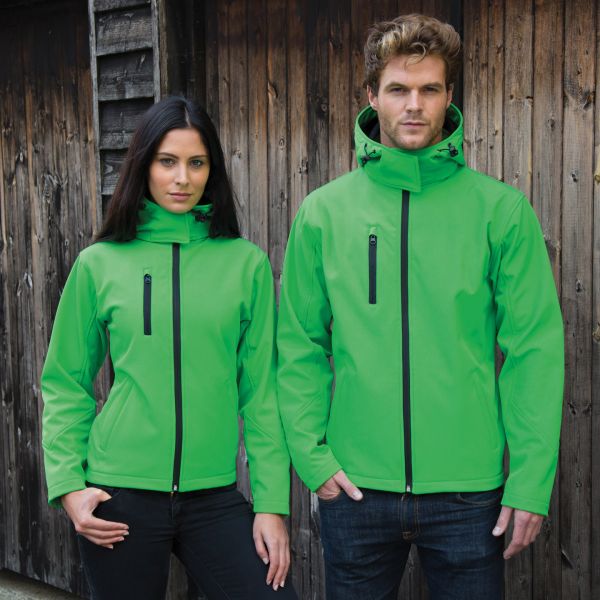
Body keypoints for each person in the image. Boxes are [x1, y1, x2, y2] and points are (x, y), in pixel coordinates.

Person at [277, 14, 563, 600]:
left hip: (468, 493)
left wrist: (530, 482)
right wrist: (312, 458)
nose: (414, 105)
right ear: (371, 96)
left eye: (430, 89)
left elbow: (533, 350)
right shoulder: (323, 214)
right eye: (398, 89)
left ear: (449, 95)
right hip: (354, 487)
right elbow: (299, 344)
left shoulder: (500, 211)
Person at [41, 96, 297, 600]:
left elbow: (262, 393)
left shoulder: (244, 264)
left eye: (196, 163)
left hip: (212, 495)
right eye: (167, 161)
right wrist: (69, 486)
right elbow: (65, 380)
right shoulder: (100, 264)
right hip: (120, 492)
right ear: (144, 166)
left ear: (212, 170)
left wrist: (271, 504)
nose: (182, 178)